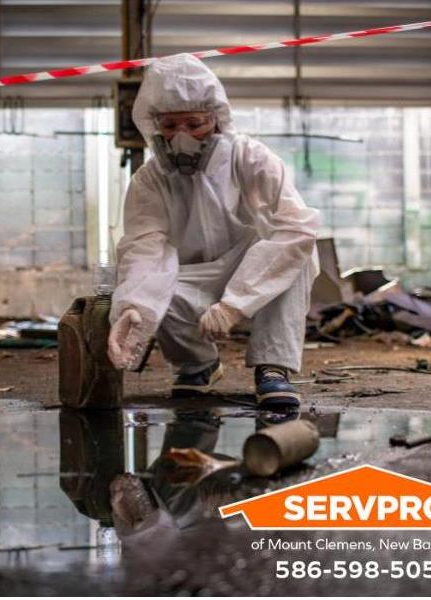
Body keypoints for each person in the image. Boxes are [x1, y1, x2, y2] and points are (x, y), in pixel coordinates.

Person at [107, 53, 319, 409]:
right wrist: (133, 307)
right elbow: (146, 248)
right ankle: (198, 363)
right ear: (154, 124)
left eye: (194, 123)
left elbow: (296, 228)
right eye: (171, 126)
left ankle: (273, 366)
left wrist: (236, 302)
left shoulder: (250, 158)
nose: (181, 138)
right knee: (157, 287)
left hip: (251, 261)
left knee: (296, 260)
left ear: (216, 119)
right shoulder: (150, 179)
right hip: (195, 271)